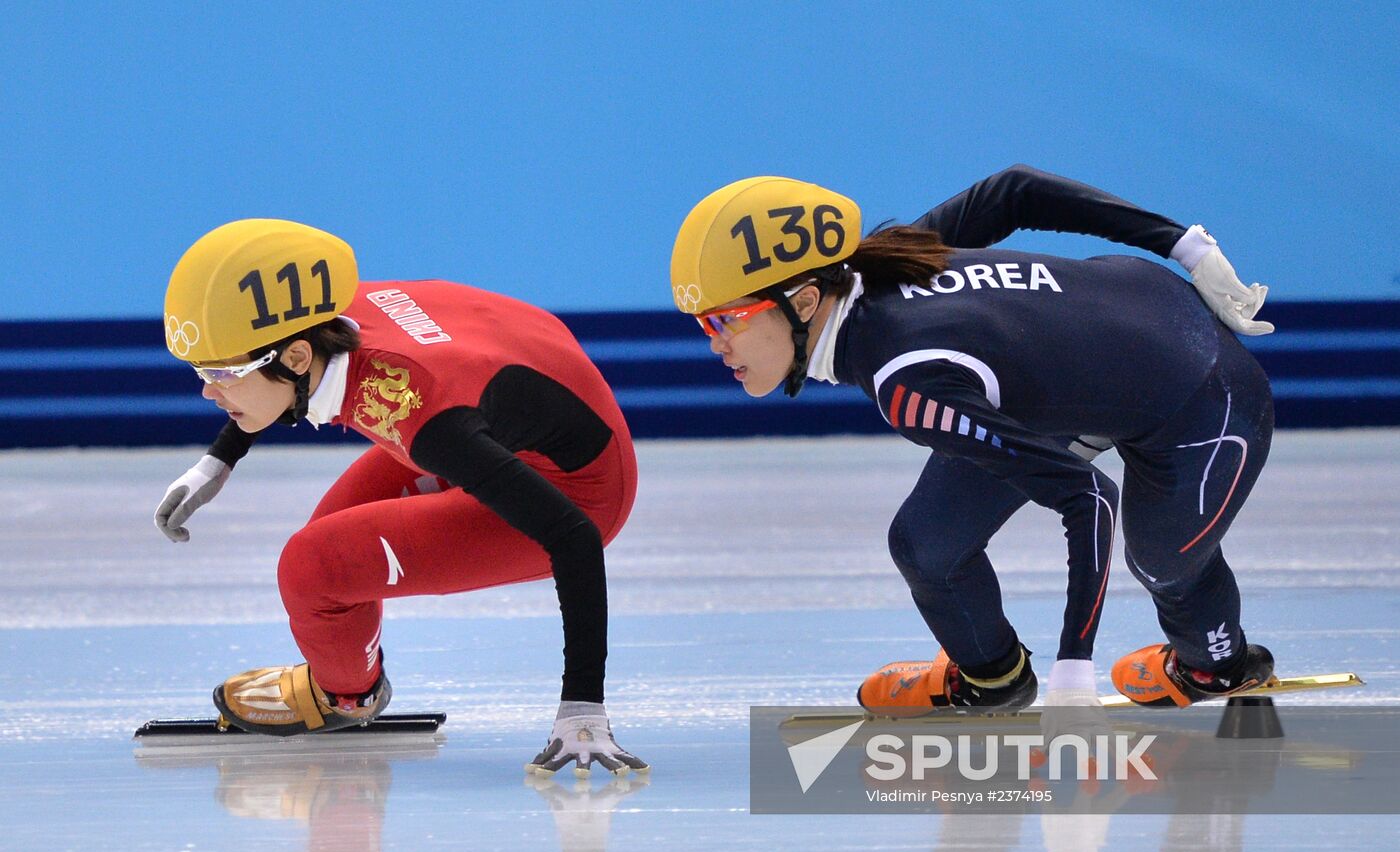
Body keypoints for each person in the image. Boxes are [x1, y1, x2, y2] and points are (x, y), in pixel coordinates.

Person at [670, 165, 1276, 711]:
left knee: (1163, 563)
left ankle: (1215, 667)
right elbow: (1013, 190)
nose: (714, 342)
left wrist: (1074, 673)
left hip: (1201, 392)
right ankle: (993, 678)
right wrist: (1183, 247)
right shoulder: (886, 259)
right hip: (1077, 370)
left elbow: (1087, 498)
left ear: (803, 301)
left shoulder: (905, 380)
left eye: (726, 319)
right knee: (927, 543)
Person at [156, 218, 647, 775]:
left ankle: (346, 696)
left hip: (578, 491)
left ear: (297, 358)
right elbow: (268, 376)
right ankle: (346, 674)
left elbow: (574, 537)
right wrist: (219, 459)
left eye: (220, 372)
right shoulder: (326, 321)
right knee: (329, 542)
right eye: (201, 369)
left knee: (315, 567)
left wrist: (582, 710)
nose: (206, 388)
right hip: (509, 417)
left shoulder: (422, 414)